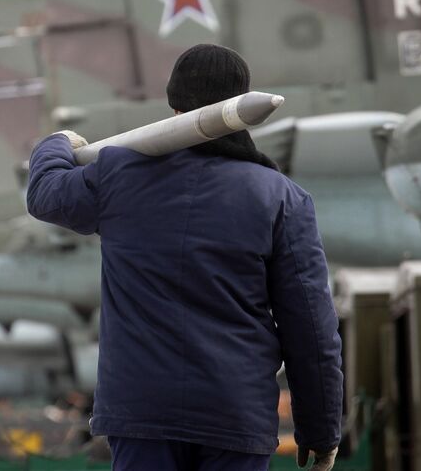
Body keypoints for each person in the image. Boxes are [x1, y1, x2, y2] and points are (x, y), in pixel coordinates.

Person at [26, 44, 342, 471]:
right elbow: (311, 325)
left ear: (174, 104)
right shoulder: (281, 198)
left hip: (142, 415)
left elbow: (45, 193)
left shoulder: (120, 174)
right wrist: (320, 430)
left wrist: (57, 142)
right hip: (235, 415)